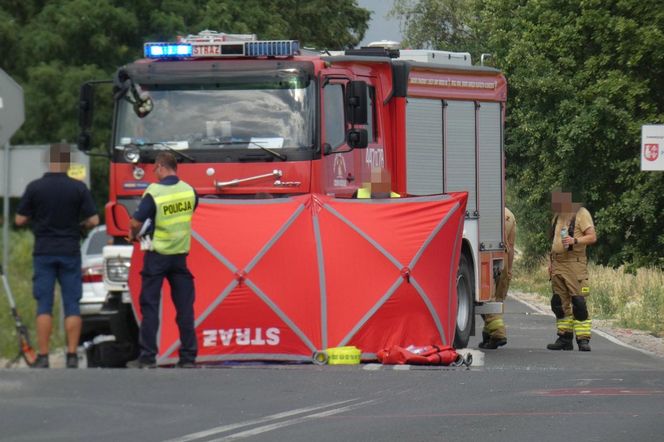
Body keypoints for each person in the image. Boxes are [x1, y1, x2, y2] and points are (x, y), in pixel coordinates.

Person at [15, 144, 99, 368]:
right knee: (72, 303)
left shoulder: (35, 188)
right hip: (70, 251)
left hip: (44, 251)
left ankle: (43, 356)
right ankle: (71, 355)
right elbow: (94, 221)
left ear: (48, 161)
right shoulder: (78, 188)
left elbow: (19, 220)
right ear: (68, 163)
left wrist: (38, 218)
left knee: (44, 304)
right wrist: (78, 225)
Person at [126, 152, 198, 368]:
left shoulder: (154, 192)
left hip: (157, 256)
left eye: (154, 169)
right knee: (184, 308)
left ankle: (147, 357)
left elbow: (136, 221)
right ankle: (188, 358)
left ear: (159, 167)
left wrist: (132, 235)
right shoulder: (189, 191)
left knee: (150, 306)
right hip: (180, 258)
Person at [547, 191, 597, 352]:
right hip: (558, 263)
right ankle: (564, 338)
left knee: (579, 302)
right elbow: (554, 241)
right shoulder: (557, 216)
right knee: (559, 303)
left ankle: (583, 340)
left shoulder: (582, 214)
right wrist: (550, 262)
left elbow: (592, 237)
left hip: (575, 263)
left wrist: (575, 240)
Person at [479, 207, 516, 349]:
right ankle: (488, 335)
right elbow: (511, 247)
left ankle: (498, 333)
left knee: (486, 295)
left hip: (489, 256)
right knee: (497, 298)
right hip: (505, 258)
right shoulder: (509, 215)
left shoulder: (487, 211)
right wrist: (509, 270)